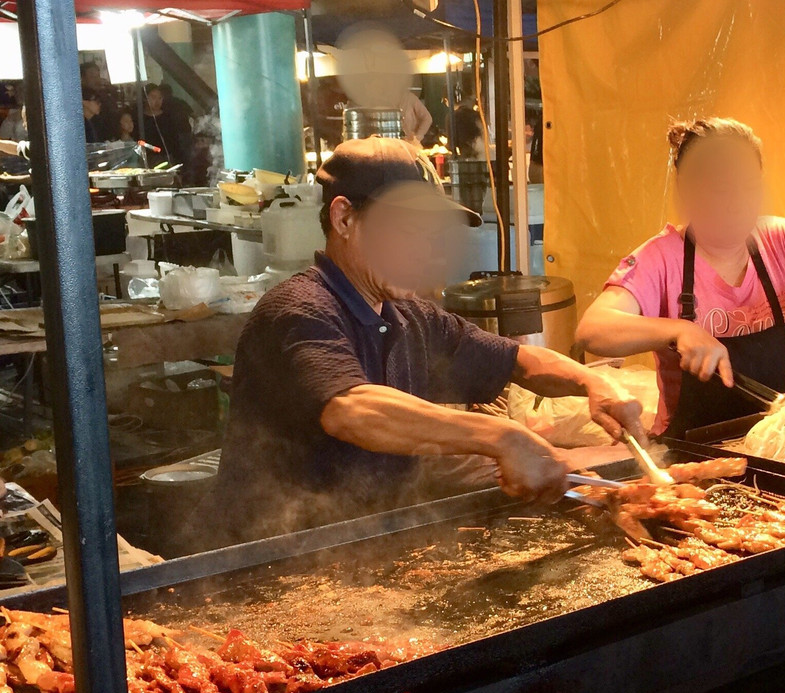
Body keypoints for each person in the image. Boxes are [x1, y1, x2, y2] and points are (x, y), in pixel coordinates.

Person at [207, 137, 645, 546]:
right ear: (344, 218)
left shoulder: (412, 317)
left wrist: (593, 384)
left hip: (372, 544)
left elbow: (518, 360)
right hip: (272, 558)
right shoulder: (298, 310)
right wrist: (501, 437)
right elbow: (352, 410)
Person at [576, 117, 785, 439]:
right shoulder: (661, 259)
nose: (737, 203)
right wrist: (678, 329)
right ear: (685, 190)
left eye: (749, 187)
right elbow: (593, 330)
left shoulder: (782, 241)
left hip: (780, 441)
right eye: (721, 190)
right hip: (691, 451)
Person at [80, 62, 119, 141]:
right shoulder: (82, 97)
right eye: (92, 77)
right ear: (83, 79)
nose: (96, 80)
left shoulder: (104, 93)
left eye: (98, 76)